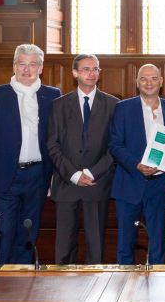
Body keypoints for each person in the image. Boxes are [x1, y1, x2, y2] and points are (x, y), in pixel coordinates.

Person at [0, 44, 60, 264]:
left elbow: (58, 139)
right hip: (4, 178)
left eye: (32, 64)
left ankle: (23, 284)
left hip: (38, 176)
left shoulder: (52, 96)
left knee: (28, 233)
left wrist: (54, 178)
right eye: (22, 64)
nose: (27, 69)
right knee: (4, 232)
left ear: (40, 67)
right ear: (14, 66)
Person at [47, 54, 118, 264]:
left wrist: (91, 172)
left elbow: (115, 146)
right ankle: (64, 289)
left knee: (96, 247)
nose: (91, 73)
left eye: (95, 69)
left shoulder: (113, 104)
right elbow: (52, 144)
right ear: (75, 73)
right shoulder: (59, 104)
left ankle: (94, 292)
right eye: (86, 69)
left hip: (98, 183)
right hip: (67, 183)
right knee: (64, 247)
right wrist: (75, 174)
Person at [109, 63, 165, 264]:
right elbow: (114, 145)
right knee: (125, 242)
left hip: (159, 185)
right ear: (136, 82)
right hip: (129, 182)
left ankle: (157, 288)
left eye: (153, 78)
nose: (149, 83)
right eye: (144, 79)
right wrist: (137, 165)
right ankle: (125, 289)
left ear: (161, 82)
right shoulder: (122, 108)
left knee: (157, 241)